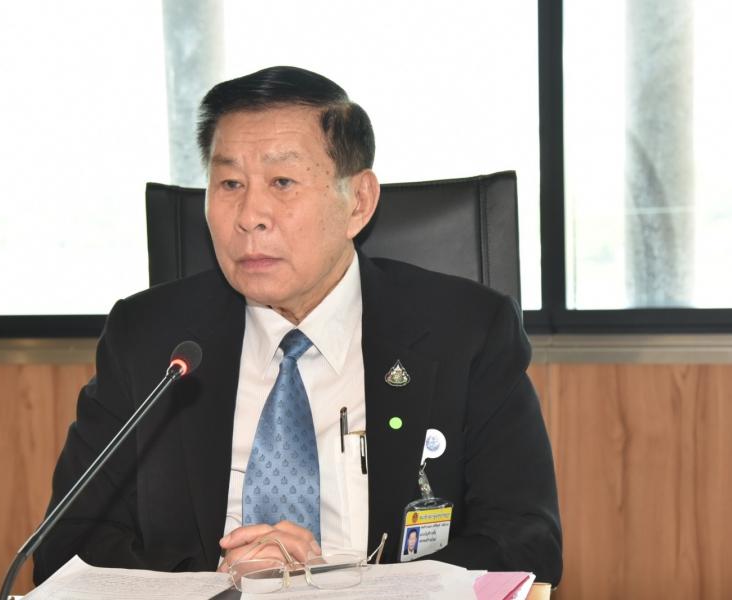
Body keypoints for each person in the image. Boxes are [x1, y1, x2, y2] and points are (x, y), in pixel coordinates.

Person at [32, 66, 562, 586]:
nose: (250, 215)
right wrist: (217, 584)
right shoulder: (149, 338)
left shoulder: (466, 332)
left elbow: (526, 542)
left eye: (282, 182)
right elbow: (66, 545)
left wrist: (344, 586)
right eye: (230, 183)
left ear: (358, 202)